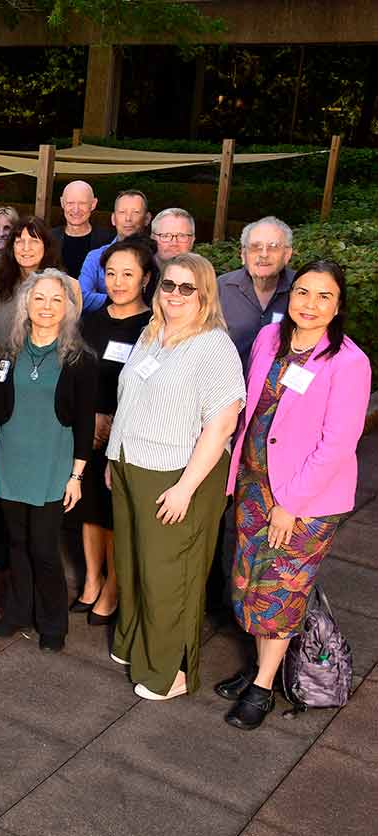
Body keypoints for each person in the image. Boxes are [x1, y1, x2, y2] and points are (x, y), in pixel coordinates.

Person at [216, 261, 370, 729]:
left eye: (324, 296)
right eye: (303, 292)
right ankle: (264, 663)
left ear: (339, 305)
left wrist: (292, 504)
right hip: (254, 487)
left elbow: (338, 444)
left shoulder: (348, 361)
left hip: (304, 501)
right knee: (249, 582)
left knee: (281, 589)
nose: (310, 304)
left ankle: (262, 687)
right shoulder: (269, 339)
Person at [106, 253, 245, 701]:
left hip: (176, 473)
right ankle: (136, 644)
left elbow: (222, 424)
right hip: (131, 463)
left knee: (169, 574)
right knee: (131, 563)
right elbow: (130, 400)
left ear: (204, 294)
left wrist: (186, 487)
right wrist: (115, 458)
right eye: (169, 285)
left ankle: (170, 671)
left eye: (188, 288)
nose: (176, 295)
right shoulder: (152, 333)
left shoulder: (213, 346)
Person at [0, 270, 96, 652]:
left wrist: (77, 474)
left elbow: (83, 421)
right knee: (16, 542)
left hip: (52, 466)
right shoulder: (4, 354)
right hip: (9, 460)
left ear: (67, 309)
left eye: (56, 300)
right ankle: (17, 613)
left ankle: (53, 623)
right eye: (39, 298)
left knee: (44, 548)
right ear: (26, 305)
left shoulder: (79, 359)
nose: (47, 307)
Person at [72, 239, 154, 626]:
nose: (118, 282)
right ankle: (91, 580)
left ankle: (112, 589)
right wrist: (87, 419)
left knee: (113, 516)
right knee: (87, 509)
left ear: (146, 278)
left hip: (125, 433)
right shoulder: (90, 321)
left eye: (127, 274)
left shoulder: (152, 327)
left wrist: (111, 421)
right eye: (111, 274)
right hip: (86, 430)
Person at [219, 216, 296, 368]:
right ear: (243, 254)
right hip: (227, 386)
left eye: (273, 246)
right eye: (255, 247)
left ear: (287, 255)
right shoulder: (220, 288)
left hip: (279, 389)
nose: (264, 254)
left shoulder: (302, 290)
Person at [0, 217, 68, 343]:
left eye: (34, 241)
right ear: (12, 247)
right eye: (19, 241)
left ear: (46, 246)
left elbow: (70, 336)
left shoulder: (68, 287)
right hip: (0, 360)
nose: (26, 248)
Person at [78, 190, 151, 313]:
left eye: (136, 212)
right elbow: (81, 297)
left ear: (147, 218)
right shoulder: (95, 256)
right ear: (113, 218)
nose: (128, 219)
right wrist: (126, 300)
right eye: (122, 212)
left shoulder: (154, 256)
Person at [52, 181, 114, 280]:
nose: (76, 209)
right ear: (62, 203)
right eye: (70, 203)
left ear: (93, 204)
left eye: (82, 203)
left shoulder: (108, 242)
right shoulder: (49, 238)